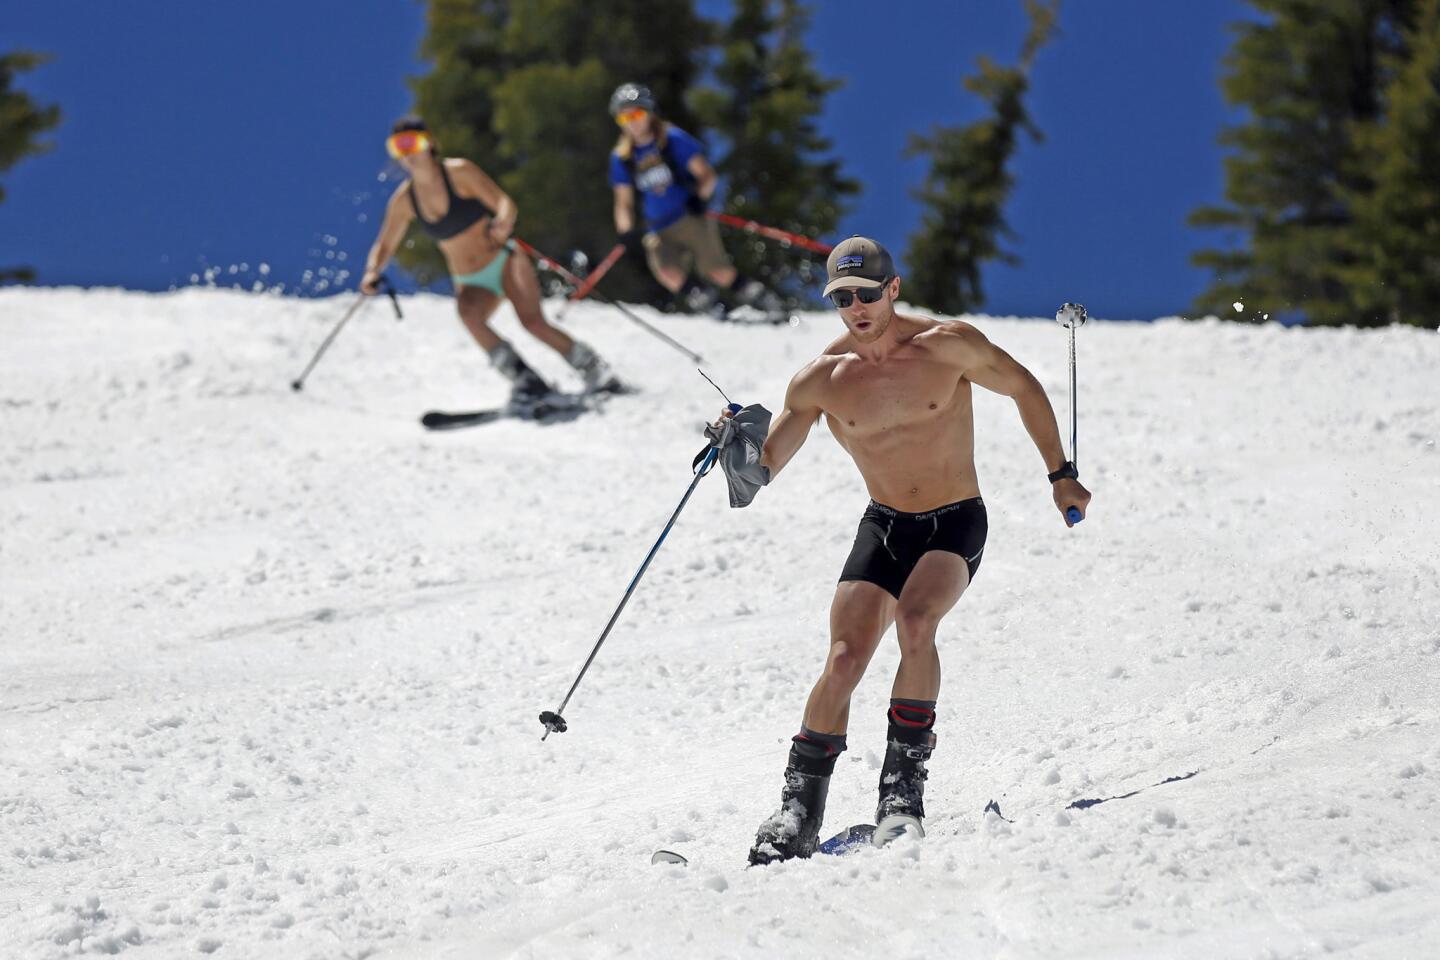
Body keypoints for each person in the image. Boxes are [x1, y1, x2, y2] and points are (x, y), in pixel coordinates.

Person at [700, 236, 1093, 865]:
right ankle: (797, 811)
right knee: (844, 656)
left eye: (864, 293)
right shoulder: (822, 379)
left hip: (954, 522)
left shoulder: (947, 344)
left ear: (893, 289)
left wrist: (1059, 473)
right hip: (885, 526)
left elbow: (1023, 387)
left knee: (916, 621)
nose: (854, 307)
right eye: (841, 298)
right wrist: (735, 446)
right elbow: (763, 468)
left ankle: (901, 798)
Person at [361, 116, 621, 404]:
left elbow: (503, 202)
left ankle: (592, 367)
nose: (408, 152)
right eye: (398, 146)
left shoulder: (459, 173)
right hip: (471, 280)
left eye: (413, 142)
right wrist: (373, 271)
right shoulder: (404, 201)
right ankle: (524, 379)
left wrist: (503, 221)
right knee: (469, 315)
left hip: (504, 260)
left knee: (532, 323)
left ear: (430, 143)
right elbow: (384, 244)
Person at [607, 83, 781, 319]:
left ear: (649, 113)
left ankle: (764, 300)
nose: (632, 122)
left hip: (688, 217)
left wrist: (699, 197)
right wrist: (626, 231)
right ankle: (711, 305)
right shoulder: (622, 157)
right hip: (658, 226)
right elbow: (623, 201)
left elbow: (706, 174)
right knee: (667, 271)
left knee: (717, 270)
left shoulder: (672, 140)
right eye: (624, 117)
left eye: (637, 113)